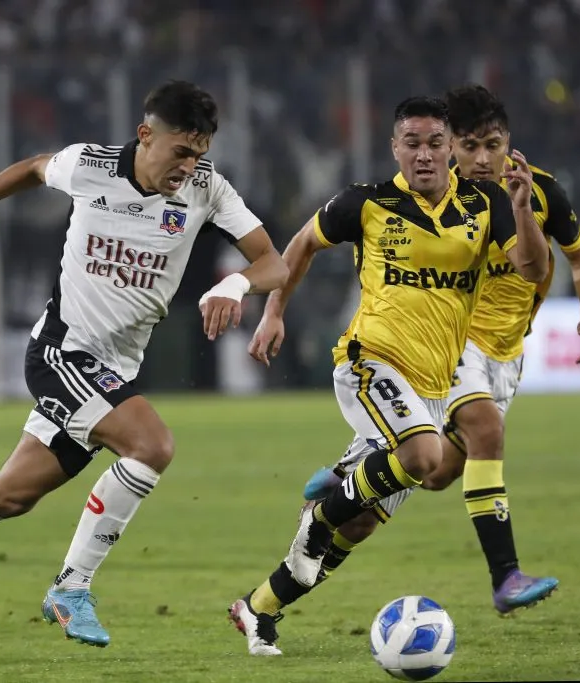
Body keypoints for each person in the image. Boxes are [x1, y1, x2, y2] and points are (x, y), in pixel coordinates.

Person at [0, 80, 288, 648]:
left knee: (10, 495)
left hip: (116, 368)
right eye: (180, 151)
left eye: (199, 152)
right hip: (61, 353)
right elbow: (30, 169)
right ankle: (71, 588)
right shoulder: (91, 166)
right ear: (146, 134)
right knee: (152, 446)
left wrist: (237, 283)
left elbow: (274, 260)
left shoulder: (207, 189)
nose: (189, 165)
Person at [227, 95, 549, 656]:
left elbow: (533, 268)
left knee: (358, 527)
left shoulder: (487, 202)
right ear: (394, 148)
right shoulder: (366, 203)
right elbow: (299, 246)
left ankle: (259, 608)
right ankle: (321, 516)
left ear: (450, 148)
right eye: (412, 144)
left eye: (434, 143)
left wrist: (522, 208)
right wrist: (273, 312)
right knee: (425, 459)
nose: (424, 155)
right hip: (368, 362)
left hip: (429, 385)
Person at [298, 84, 580, 618]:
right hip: (453, 347)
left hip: (507, 355)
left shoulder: (536, 193)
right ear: (450, 148)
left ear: (509, 142)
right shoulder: (442, 196)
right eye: (469, 146)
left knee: (437, 473)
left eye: (494, 144)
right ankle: (505, 577)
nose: (483, 158)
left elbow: (579, 259)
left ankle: (352, 469)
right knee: (487, 431)